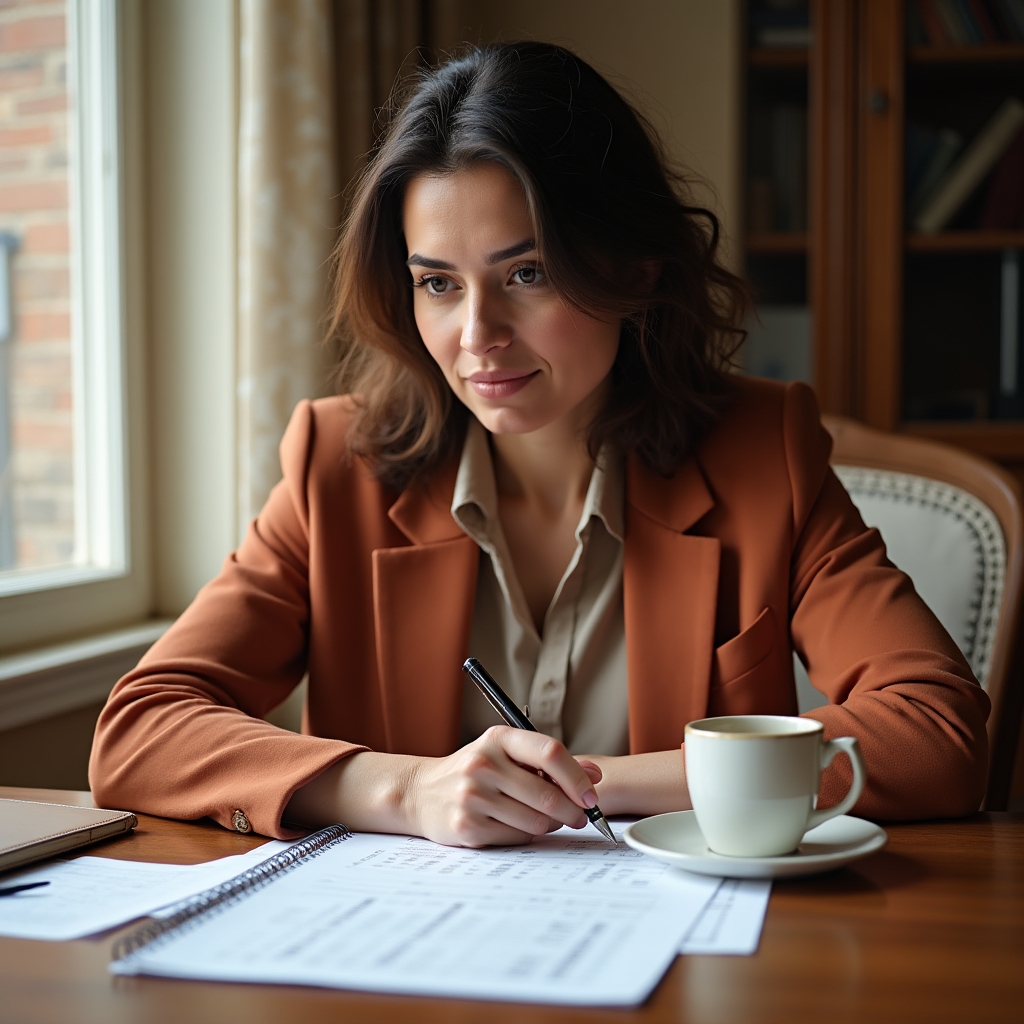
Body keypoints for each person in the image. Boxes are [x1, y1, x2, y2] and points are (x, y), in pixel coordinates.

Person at [89, 42, 990, 846]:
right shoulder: (337, 464)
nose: (478, 334)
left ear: (633, 270)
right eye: (439, 282)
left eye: (528, 273)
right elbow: (141, 729)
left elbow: (938, 733)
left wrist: (590, 786)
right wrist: (406, 788)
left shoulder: (765, 453)